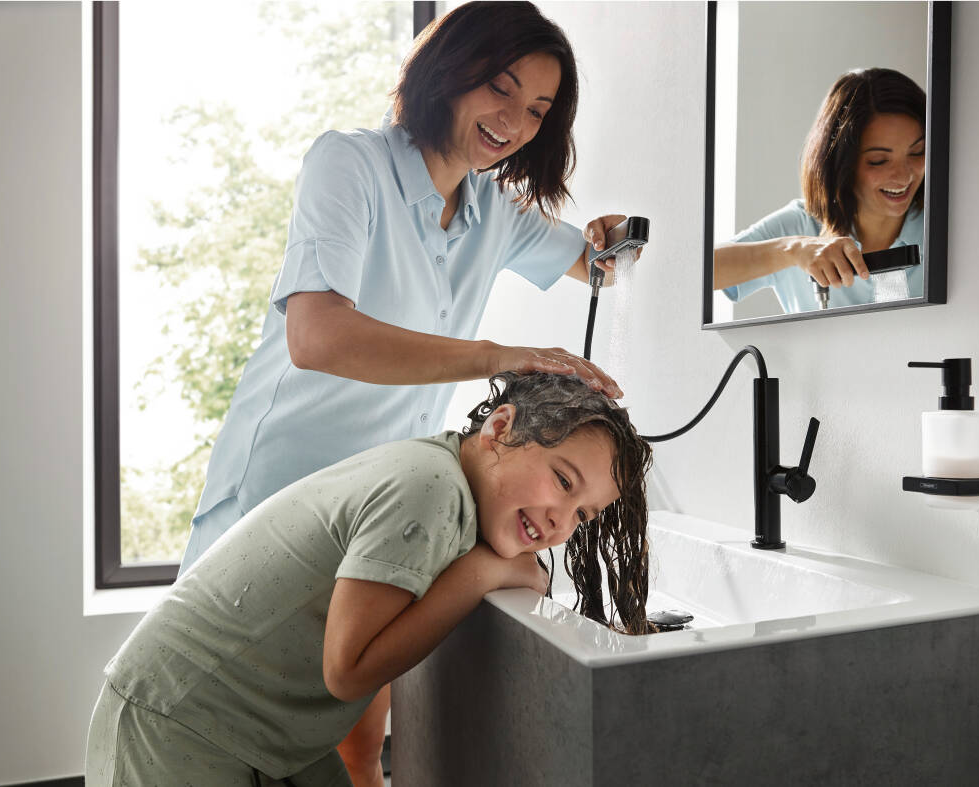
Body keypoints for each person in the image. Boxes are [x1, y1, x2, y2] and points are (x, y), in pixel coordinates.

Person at [176, 4, 637, 780]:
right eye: (501, 87)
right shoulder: (350, 164)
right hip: (283, 493)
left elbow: (602, 267)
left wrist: (791, 251)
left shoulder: (494, 211)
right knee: (234, 720)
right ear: (447, 72)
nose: (515, 120)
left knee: (356, 733)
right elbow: (317, 336)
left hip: (386, 507)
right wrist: (498, 354)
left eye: (537, 109)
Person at [87, 371, 654, 785]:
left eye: (583, 515)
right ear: (499, 428)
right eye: (562, 480)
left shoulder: (446, 480)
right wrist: (481, 573)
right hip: (175, 718)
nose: (561, 521)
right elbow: (347, 669)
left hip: (259, 731)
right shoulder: (428, 490)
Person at [713, 67, 926, 314]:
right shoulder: (800, 226)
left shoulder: (947, 228)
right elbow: (697, 272)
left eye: (917, 152)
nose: (904, 176)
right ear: (841, 163)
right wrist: (792, 251)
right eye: (878, 160)